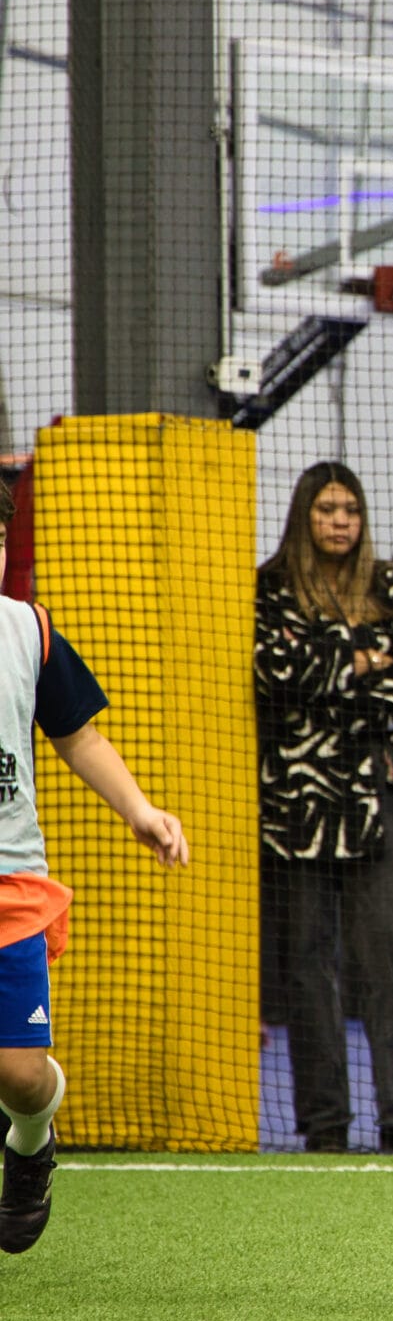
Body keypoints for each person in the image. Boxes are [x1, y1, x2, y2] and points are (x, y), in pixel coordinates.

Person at [0, 472, 189, 1252]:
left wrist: (140, 809)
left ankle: (32, 1142)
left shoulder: (26, 630)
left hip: (11, 888)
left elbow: (80, 735)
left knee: (20, 1076)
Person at [255, 463, 393, 1155]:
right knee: (309, 963)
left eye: (351, 510)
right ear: (304, 514)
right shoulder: (268, 589)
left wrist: (332, 672)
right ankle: (324, 1125)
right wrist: (364, 659)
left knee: (391, 954)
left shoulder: (392, 585)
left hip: (381, 797)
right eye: (327, 509)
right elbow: (273, 673)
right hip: (298, 803)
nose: (340, 521)